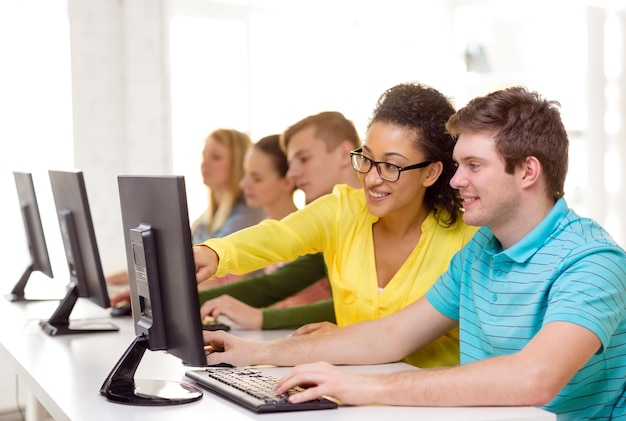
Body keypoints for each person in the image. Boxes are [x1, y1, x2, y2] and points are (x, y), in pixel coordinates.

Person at [199, 86, 626, 419]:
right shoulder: (481, 251)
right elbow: (390, 335)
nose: (456, 181)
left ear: (528, 171)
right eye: (458, 166)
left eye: (473, 166)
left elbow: (535, 377)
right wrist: (255, 354)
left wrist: (368, 388)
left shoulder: (592, 262)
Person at [194, 82, 478, 368]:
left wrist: (344, 338)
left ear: (430, 172)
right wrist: (214, 254)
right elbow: (280, 234)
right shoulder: (342, 211)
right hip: (351, 394)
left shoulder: (467, 239)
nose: (372, 178)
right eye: (367, 159)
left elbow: (397, 338)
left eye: (391, 166)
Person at [197, 111, 362, 329]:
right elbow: (274, 282)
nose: (292, 173)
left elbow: (359, 309)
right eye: (292, 162)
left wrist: (262, 318)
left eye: (303, 159)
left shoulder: (375, 216)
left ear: (344, 154)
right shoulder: (332, 217)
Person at [108, 128, 265, 305]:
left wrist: (150, 294)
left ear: (238, 164)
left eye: (216, 157)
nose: (204, 164)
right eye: (204, 156)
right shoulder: (206, 219)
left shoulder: (248, 216)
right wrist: (108, 281)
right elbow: (170, 265)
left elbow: (217, 279)